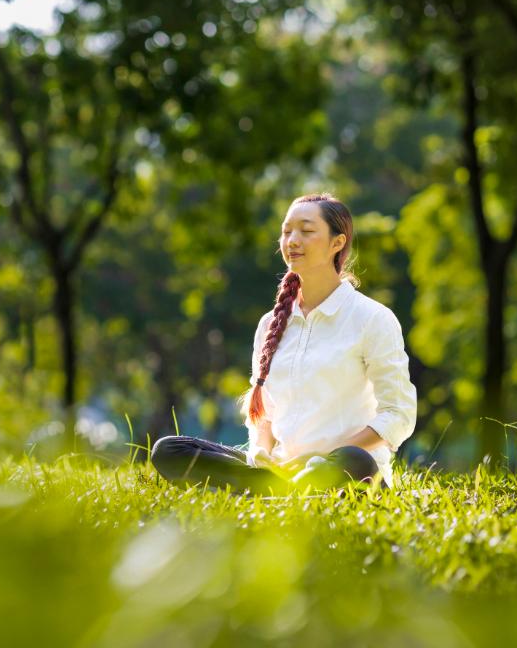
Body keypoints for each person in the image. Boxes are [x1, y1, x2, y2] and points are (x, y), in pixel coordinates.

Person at [150, 193, 418, 493]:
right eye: (287, 230)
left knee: (354, 460)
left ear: (337, 243)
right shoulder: (270, 323)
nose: (292, 240)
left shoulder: (372, 318)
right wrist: (262, 452)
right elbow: (264, 416)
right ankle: (274, 488)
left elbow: (398, 414)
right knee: (169, 450)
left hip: (343, 469)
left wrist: (320, 457)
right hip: (282, 469)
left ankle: (268, 491)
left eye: (306, 230)